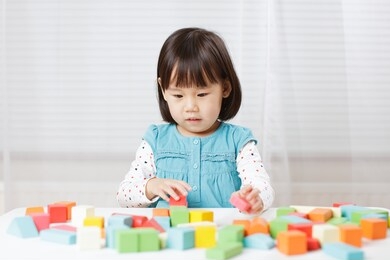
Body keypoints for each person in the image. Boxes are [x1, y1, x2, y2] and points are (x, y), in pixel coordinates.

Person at [117, 27, 274, 214]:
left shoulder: (239, 141)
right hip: (170, 237)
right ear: (163, 90)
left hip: (221, 235)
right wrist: (152, 186)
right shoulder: (155, 140)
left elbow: (263, 186)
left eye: (201, 94)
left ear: (225, 88)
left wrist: (256, 197)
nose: (190, 106)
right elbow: (124, 195)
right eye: (178, 95)